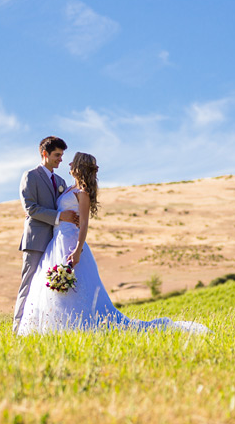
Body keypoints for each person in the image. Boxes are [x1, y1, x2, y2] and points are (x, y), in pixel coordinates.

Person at [15, 152, 209, 335]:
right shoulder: (67, 188)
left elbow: (83, 224)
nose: (69, 163)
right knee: (53, 286)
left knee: (75, 286)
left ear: (79, 166)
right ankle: (56, 326)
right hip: (56, 242)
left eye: (73, 161)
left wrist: (77, 250)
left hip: (70, 242)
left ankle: (80, 326)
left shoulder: (82, 193)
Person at [12, 136, 80, 333]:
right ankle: (17, 330)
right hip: (35, 241)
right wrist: (60, 216)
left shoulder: (60, 181)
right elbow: (31, 208)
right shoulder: (30, 176)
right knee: (29, 285)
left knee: (49, 288)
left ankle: (44, 328)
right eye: (57, 155)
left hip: (55, 243)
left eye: (61, 155)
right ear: (45, 154)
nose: (60, 159)